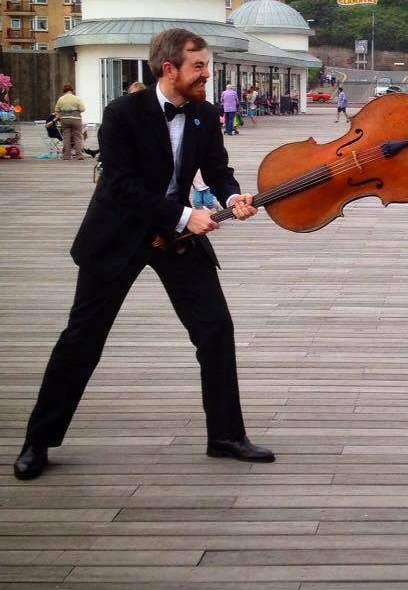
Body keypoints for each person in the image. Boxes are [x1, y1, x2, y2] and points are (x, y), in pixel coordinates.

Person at [13, 28, 273, 481]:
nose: (206, 74)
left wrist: (232, 198)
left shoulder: (205, 115)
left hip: (176, 237)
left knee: (215, 329)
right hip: (119, 233)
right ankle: (38, 440)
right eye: (198, 66)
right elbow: (120, 186)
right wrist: (182, 215)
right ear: (168, 68)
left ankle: (225, 435)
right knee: (82, 339)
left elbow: (218, 171)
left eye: (206, 66)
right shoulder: (122, 113)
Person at [55, 83, 86, 160]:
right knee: (78, 137)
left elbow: (57, 110)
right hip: (76, 119)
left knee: (66, 137)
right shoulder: (76, 98)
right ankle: (79, 155)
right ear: (71, 90)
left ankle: (66, 155)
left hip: (65, 119)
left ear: (64, 91)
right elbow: (82, 109)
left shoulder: (61, 99)